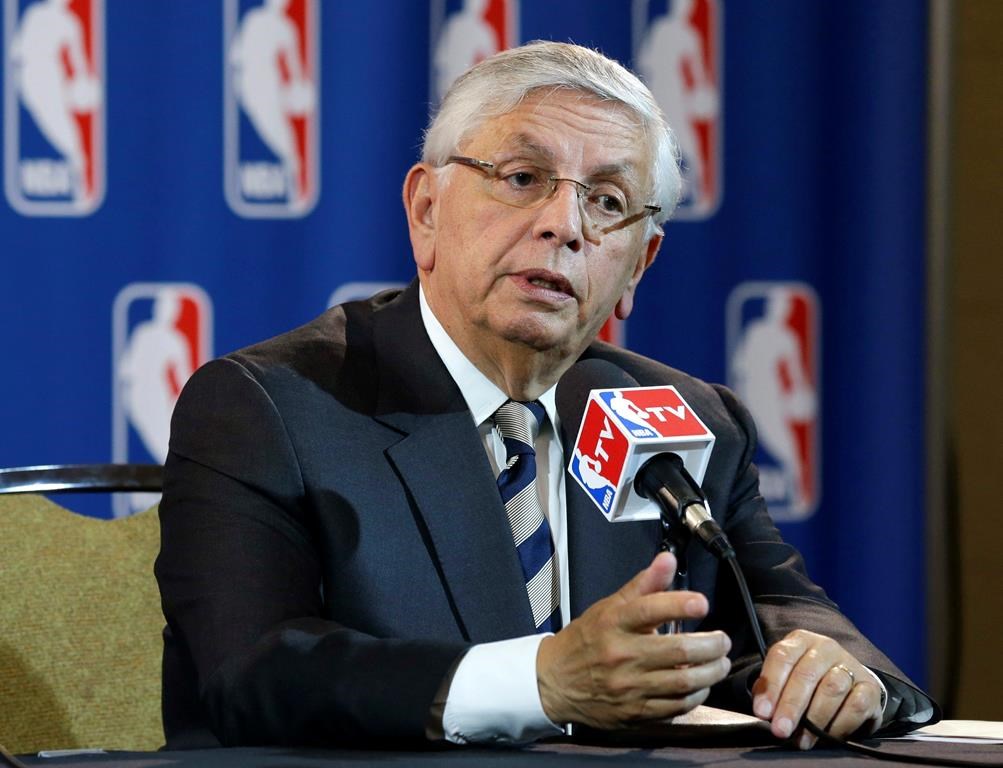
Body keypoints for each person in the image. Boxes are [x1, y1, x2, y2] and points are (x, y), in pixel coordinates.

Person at [155, 41, 937, 751]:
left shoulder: (689, 420)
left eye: (606, 202)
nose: (563, 225)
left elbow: (778, 607)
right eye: (522, 179)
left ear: (638, 265)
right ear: (425, 211)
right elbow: (250, 674)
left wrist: (840, 673)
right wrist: (543, 681)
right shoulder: (271, 406)